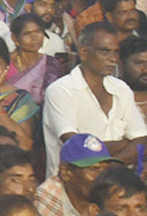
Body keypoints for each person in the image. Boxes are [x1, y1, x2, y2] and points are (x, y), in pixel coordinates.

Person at [43, 21, 147, 177]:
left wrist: (106, 168)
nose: (113, 58)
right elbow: (76, 146)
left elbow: (142, 142)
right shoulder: (61, 91)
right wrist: (124, 144)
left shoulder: (121, 88)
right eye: (105, 51)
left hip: (116, 185)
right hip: (73, 188)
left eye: (116, 52)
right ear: (84, 52)